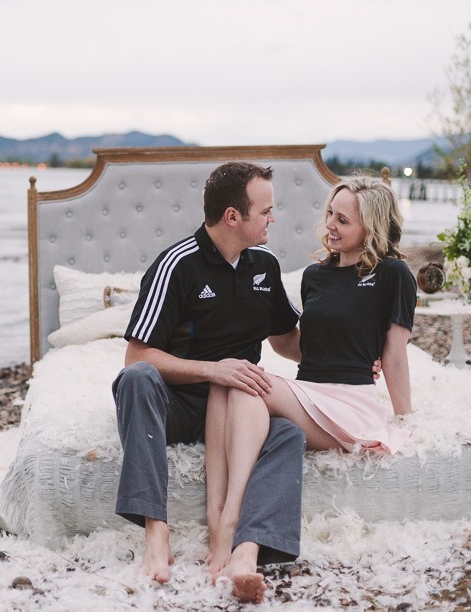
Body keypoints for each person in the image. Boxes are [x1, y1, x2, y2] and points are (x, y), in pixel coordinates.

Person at [204, 176, 417, 590]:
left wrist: (406, 418)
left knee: (247, 383)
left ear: (371, 227)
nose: (330, 226)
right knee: (226, 379)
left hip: (350, 401)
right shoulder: (316, 276)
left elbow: (394, 354)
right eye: (329, 215)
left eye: (343, 220)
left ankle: (227, 524)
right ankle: (230, 533)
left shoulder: (394, 275)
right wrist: (250, 313)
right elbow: (302, 346)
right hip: (310, 392)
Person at [113, 161, 306, 603]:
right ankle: (156, 532)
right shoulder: (177, 265)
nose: (273, 218)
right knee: (136, 379)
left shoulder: (265, 264)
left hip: (241, 408)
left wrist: (345, 348)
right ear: (232, 217)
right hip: (178, 406)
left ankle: (245, 547)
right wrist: (213, 368)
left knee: (290, 435)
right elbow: (137, 355)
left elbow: (286, 341)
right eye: (266, 210)